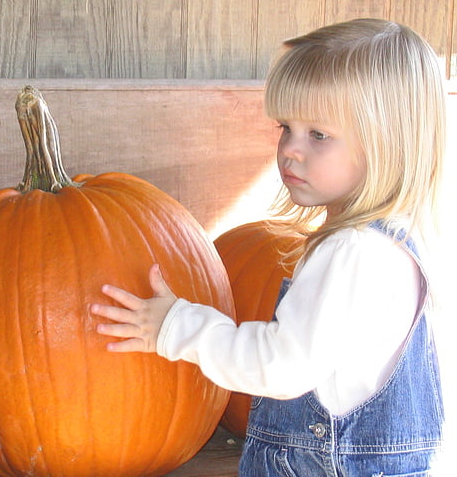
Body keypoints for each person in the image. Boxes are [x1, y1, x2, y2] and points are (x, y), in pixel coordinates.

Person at [91, 18, 446, 476]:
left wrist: (177, 326)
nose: (290, 151)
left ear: (387, 144)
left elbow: (282, 367)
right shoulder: (408, 240)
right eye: (285, 128)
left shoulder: (352, 252)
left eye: (318, 135)